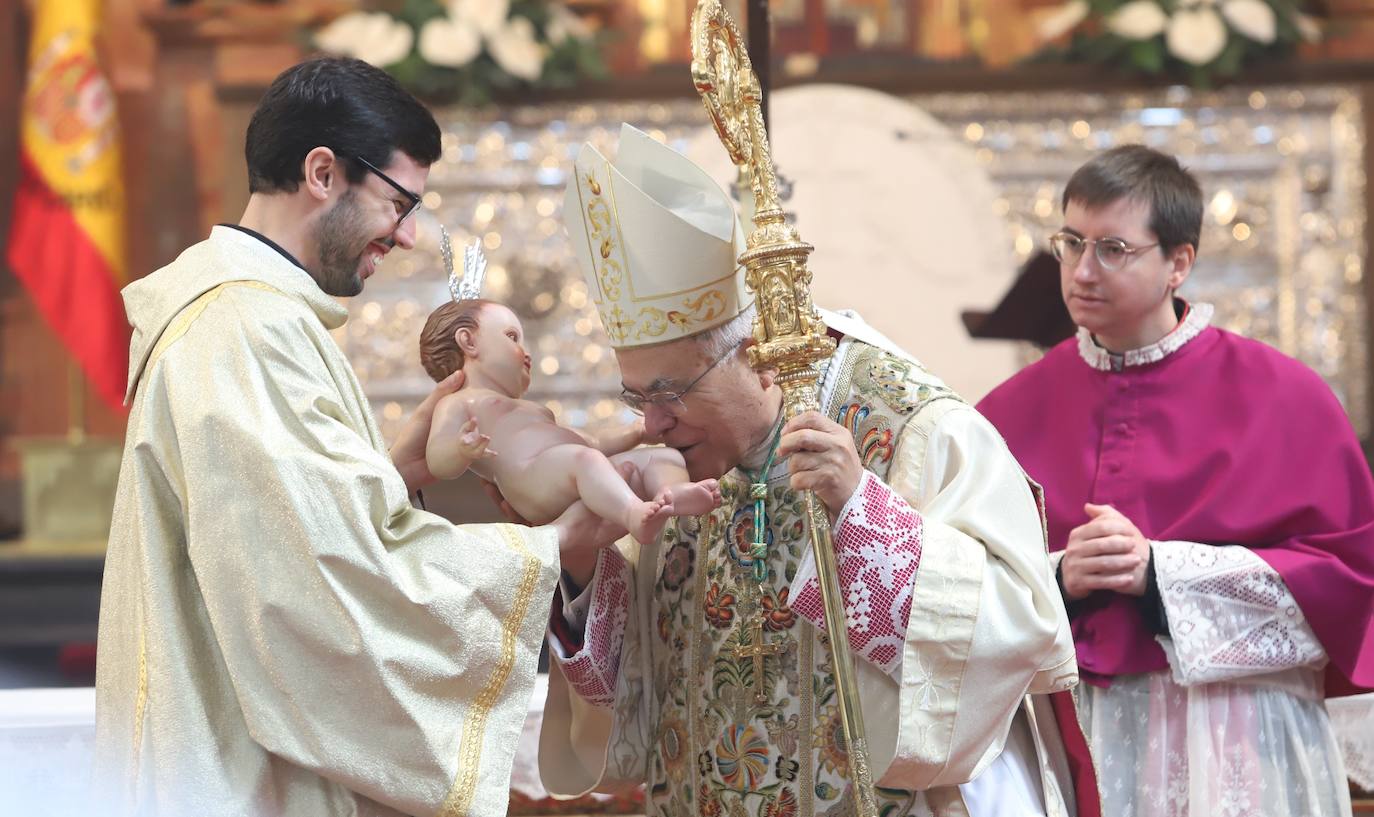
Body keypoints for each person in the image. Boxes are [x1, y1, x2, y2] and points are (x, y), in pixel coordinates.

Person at [93, 56, 615, 817]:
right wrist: (547, 550)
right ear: (323, 174)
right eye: (400, 203)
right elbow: (319, 584)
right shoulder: (247, 330)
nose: (405, 237)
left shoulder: (244, 314)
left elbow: (280, 532)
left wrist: (387, 472)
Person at [532, 124, 1098, 817]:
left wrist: (864, 516)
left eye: (671, 393)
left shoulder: (914, 427)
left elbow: (1024, 626)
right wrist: (586, 567)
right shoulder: (669, 468)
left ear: (762, 357)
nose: (653, 423)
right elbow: (639, 696)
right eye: (637, 397)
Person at [977, 144, 1374, 817]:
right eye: (1071, 243)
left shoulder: (1286, 399)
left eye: (1113, 249)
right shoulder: (1007, 411)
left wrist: (1161, 572)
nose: (1081, 269)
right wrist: (1058, 575)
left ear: (1178, 263)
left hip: (1236, 731)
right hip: (1079, 727)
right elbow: (958, 584)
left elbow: (1348, 586)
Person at [418, 297, 722, 543]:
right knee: (583, 460)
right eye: (512, 337)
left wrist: (638, 431)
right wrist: (460, 449)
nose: (526, 352)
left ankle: (672, 493)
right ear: (468, 342)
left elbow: (592, 442)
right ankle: (634, 514)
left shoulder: (534, 411)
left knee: (660, 456)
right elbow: (437, 461)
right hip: (532, 481)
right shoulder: (459, 402)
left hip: (574, 472)